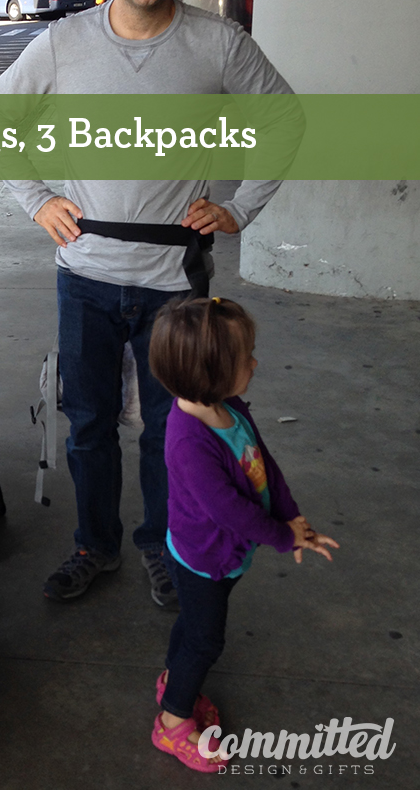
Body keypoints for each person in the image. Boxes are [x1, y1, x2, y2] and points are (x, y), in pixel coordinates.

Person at [0, 0, 304, 606]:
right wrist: (36, 198)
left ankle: (163, 544)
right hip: (85, 277)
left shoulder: (215, 43)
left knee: (172, 433)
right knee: (89, 427)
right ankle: (93, 544)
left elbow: (284, 116)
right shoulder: (64, 44)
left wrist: (239, 207)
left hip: (174, 288)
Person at [147, 296, 338, 772]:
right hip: (204, 558)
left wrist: (293, 518)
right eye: (245, 357)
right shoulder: (189, 439)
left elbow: (262, 465)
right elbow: (229, 511)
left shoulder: (228, 407)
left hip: (224, 555)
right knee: (205, 641)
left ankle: (176, 681)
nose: (255, 362)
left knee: (193, 627)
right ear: (209, 372)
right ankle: (172, 724)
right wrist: (281, 536)